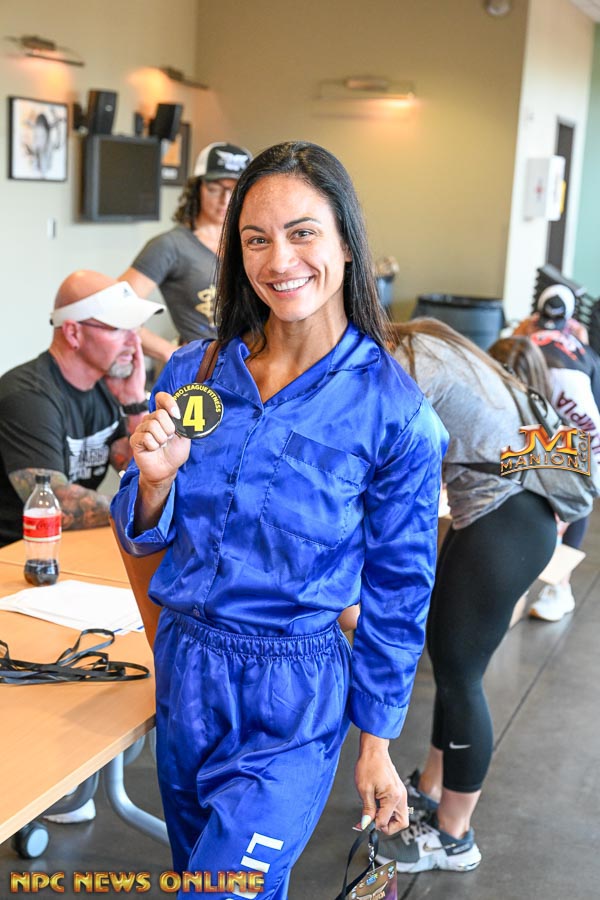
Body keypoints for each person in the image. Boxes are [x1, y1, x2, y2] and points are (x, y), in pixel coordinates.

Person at [111, 141, 447, 898]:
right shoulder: (195, 373)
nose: (279, 259)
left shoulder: (394, 413)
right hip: (187, 675)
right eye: (256, 239)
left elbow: (399, 590)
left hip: (292, 694)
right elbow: (142, 529)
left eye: (302, 233)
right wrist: (154, 483)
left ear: (346, 244)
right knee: (203, 878)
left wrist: (376, 741)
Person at [374, 318, 557, 874]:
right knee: (451, 664)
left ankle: (454, 836)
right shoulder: (422, 340)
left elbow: (380, 457)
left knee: (460, 675)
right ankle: (432, 789)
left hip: (506, 520)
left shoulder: (406, 361)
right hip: (497, 515)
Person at [0, 271, 163, 549]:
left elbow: (141, 469)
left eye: (135, 329)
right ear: (73, 333)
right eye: (118, 328)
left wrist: (134, 402)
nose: (134, 343)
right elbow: (55, 501)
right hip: (16, 552)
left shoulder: (107, 386)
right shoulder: (28, 396)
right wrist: (149, 506)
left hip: (65, 545)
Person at [120, 141, 252, 363]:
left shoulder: (254, 242)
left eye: (235, 190)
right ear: (196, 188)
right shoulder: (170, 246)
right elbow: (117, 308)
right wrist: (169, 352)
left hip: (254, 367)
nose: (225, 199)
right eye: (214, 188)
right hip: (204, 373)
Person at [524, 285, 600, 621]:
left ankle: (560, 586)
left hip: (573, 433)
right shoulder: (583, 350)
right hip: (562, 432)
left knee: (571, 497)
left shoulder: (524, 342)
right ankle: (555, 585)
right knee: (571, 497)